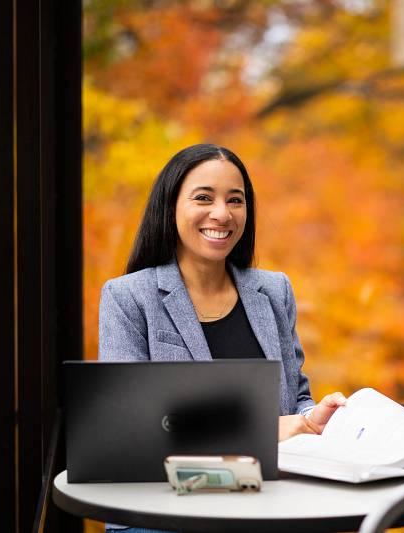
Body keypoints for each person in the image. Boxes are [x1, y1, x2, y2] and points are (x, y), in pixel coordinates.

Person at [98, 143, 346, 533]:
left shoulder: (274, 291)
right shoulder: (128, 297)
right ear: (170, 207)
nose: (222, 214)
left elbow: (295, 400)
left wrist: (311, 419)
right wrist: (265, 431)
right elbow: (131, 433)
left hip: (265, 504)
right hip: (167, 511)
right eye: (203, 198)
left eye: (236, 200)